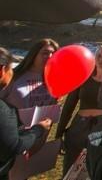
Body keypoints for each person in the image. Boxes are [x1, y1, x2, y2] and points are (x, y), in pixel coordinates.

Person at [56, 43, 102, 175]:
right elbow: (69, 106)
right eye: (98, 56)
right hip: (78, 128)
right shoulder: (84, 76)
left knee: (96, 170)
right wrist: (59, 134)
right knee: (70, 170)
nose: (101, 59)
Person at [0, 47, 52, 180]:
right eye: (11, 68)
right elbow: (13, 146)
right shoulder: (4, 110)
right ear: (2, 71)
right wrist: (38, 130)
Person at [0, 38, 59, 109]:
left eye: (53, 54)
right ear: (34, 54)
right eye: (45, 53)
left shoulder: (54, 80)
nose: (50, 57)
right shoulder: (12, 76)